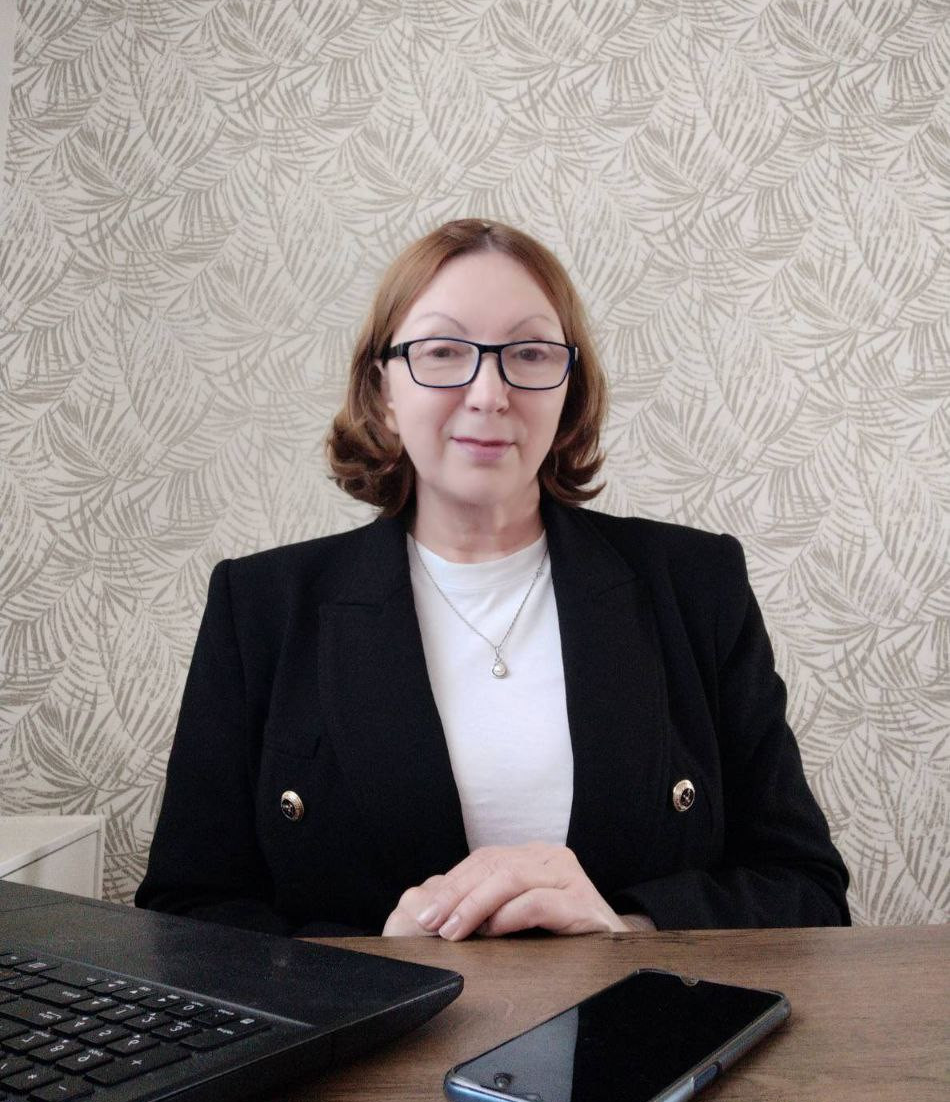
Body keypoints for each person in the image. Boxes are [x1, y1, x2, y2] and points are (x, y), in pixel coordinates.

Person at [136, 218, 850, 938]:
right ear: (384, 392)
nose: (488, 392)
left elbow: (807, 891)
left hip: (634, 1013)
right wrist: (373, 968)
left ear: (569, 390)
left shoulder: (696, 586)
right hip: (361, 1019)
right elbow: (184, 918)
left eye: (530, 353)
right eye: (443, 351)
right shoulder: (260, 608)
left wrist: (625, 930)